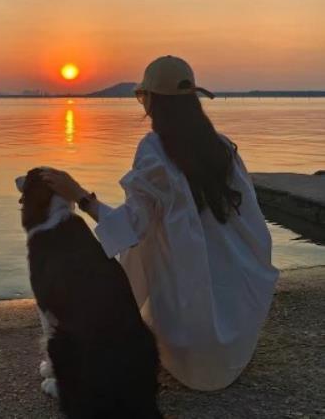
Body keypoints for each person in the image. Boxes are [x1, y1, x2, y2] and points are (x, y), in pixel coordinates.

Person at [41, 55, 279, 391]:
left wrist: (79, 195)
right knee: (168, 229)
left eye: (143, 97)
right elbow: (254, 230)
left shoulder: (154, 151)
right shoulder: (222, 149)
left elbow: (130, 230)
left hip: (192, 352)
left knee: (144, 238)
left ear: (152, 101)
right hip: (236, 340)